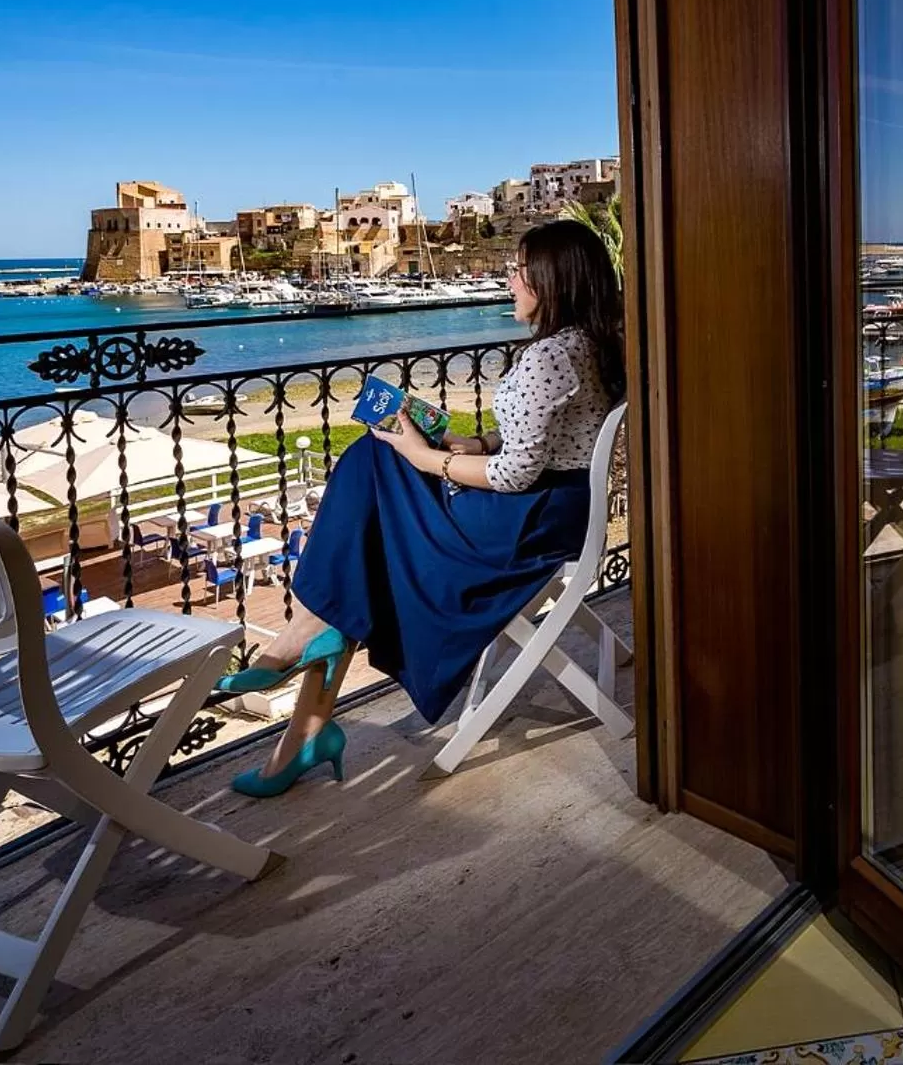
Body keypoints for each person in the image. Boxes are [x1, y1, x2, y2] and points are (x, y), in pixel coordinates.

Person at [218, 219, 625, 797]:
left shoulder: (549, 357)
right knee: (374, 514)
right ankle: (304, 715)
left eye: (517, 270)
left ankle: (302, 650)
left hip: (522, 524)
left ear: (553, 281)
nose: (507, 280)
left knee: (373, 466)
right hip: (559, 508)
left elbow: (513, 476)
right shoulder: (595, 343)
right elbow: (552, 439)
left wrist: (423, 455)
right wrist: (474, 443)